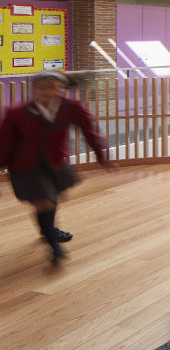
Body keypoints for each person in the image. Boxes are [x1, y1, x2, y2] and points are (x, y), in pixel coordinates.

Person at [0, 72, 114, 265]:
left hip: (55, 163)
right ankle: (55, 247)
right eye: (41, 86)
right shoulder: (17, 112)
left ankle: (47, 229)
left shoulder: (71, 108)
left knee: (51, 200)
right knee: (45, 202)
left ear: (60, 88)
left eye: (51, 86)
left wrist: (102, 156)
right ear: (33, 89)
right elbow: (4, 143)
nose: (46, 91)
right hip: (25, 166)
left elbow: (89, 131)